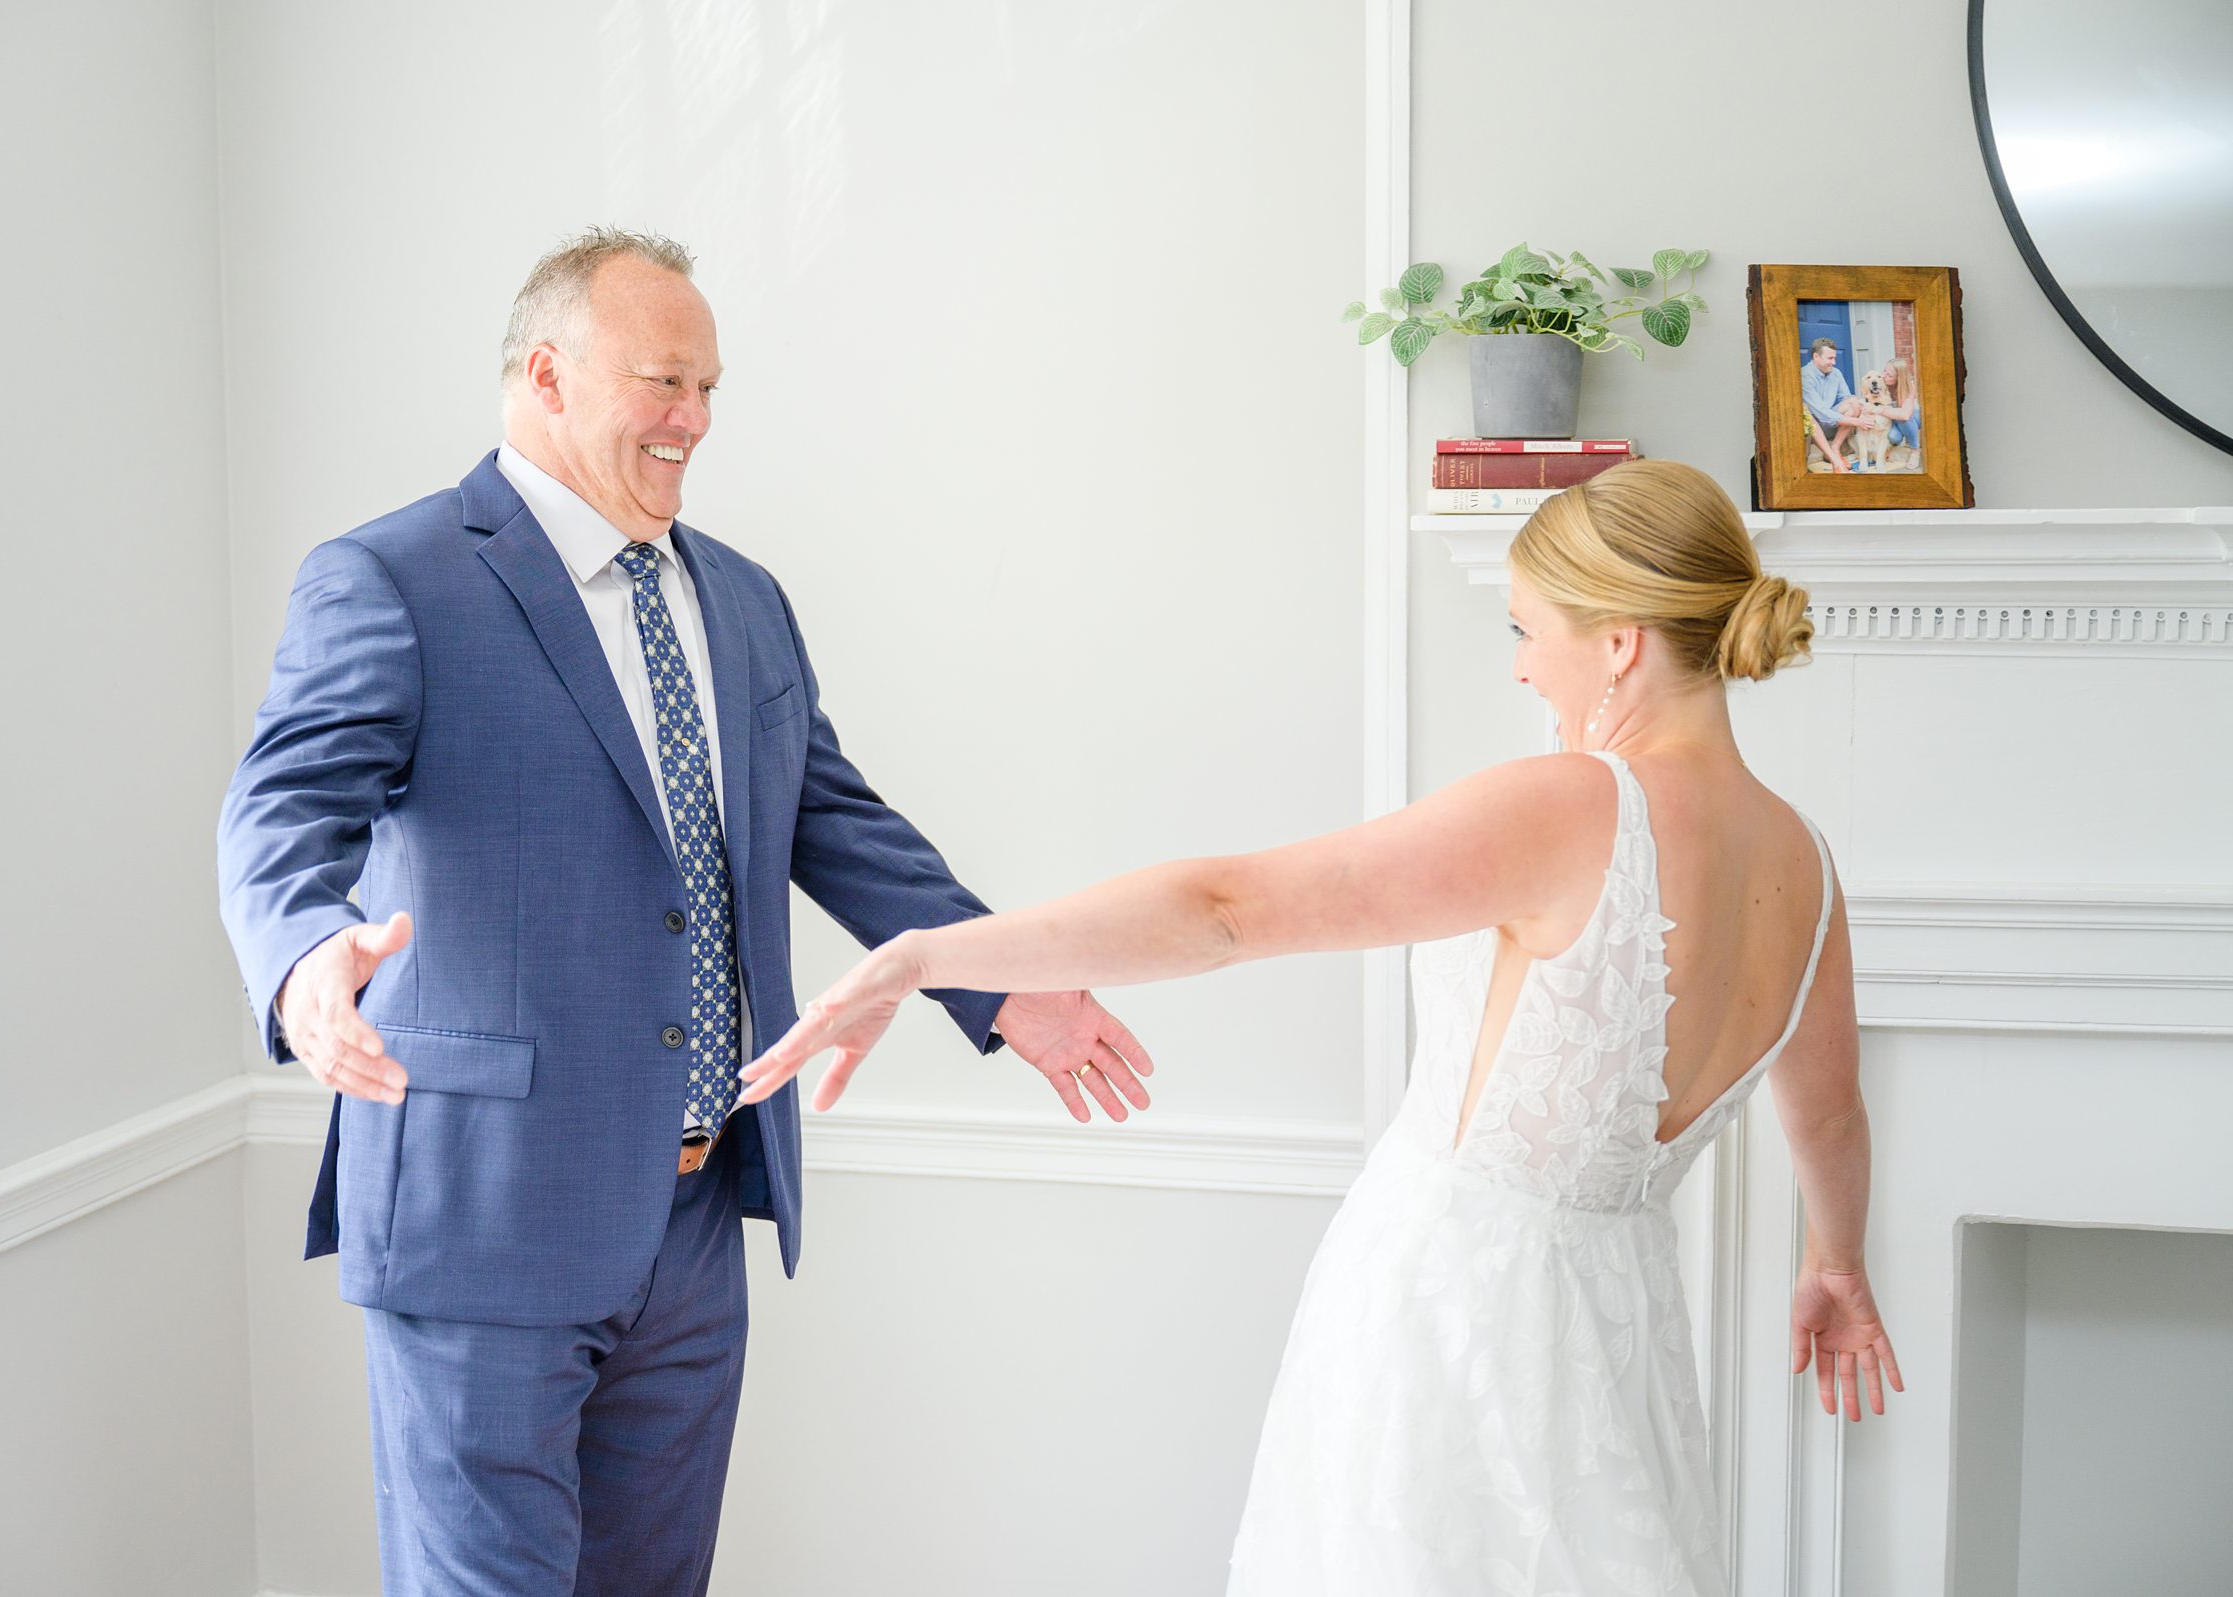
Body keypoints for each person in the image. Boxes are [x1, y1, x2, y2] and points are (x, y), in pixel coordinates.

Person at [741, 459, 1903, 1595]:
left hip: (1458, 1318)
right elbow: (1833, 1112)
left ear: (1620, 644)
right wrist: (1835, 1261)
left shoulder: (1572, 805)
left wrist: (928, 954)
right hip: (1626, 1326)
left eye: (1525, 629)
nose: (1518, 670)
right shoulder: (1805, 863)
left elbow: (1227, 911)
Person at [216, 227, 1151, 1597]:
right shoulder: (396, 577)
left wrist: (1002, 979)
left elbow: (832, 818)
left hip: (696, 1221)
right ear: (547, 373)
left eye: (711, 388)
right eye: (667, 381)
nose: (696, 419)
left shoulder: (744, 599)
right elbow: (279, 810)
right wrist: (305, 960)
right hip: (486, 1218)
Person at [1801, 336, 1864, 472]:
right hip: (1813, 427)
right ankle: (1835, 460)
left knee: (1854, 402)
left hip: (1831, 422)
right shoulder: (1804, 376)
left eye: (1834, 358)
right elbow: (1820, 411)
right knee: (1806, 411)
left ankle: (1835, 448)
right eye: (1830, 358)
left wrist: (1861, 410)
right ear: (1816, 356)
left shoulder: (1835, 373)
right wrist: (1855, 421)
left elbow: (1846, 397)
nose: (1834, 362)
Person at [1874, 355, 1923, 459]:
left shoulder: (1909, 386)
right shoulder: (1881, 384)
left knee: (1904, 418)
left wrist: (1880, 409)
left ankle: (1915, 451)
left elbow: (1905, 415)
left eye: (1889, 375)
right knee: (1893, 437)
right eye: (1884, 371)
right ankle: (1893, 446)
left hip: (1913, 418)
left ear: (1898, 377)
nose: (1883, 376)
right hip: (1894, 419)